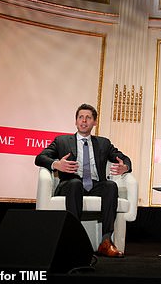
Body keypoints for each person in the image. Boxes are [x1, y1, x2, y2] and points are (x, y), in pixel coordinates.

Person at [35, 103, 131, 258]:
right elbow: (40, 157)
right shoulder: (62, 141)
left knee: (111, 186)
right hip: (70, 184)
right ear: (76, 121)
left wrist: (125, 167)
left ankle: (106, 241)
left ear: (94, 122)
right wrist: (56, 164)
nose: (84, 121)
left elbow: (123, 157)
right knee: (75, 183)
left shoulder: (103, 143)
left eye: (88, 118)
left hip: (94, 184)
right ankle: (73, 240)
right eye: (81, 117)